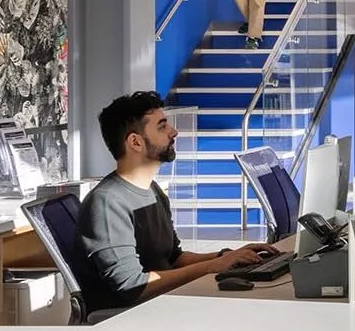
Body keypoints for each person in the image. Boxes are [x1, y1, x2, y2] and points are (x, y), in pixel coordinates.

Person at [77, 92, 276, 318]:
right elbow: (132, 286)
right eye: (162, 127)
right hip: (130, 320)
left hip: (163, 306)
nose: (174, 132)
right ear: (135, 142)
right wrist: (213, 266)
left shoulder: (152, 191)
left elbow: (174, 259)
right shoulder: (107, 203)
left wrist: (225, 256)